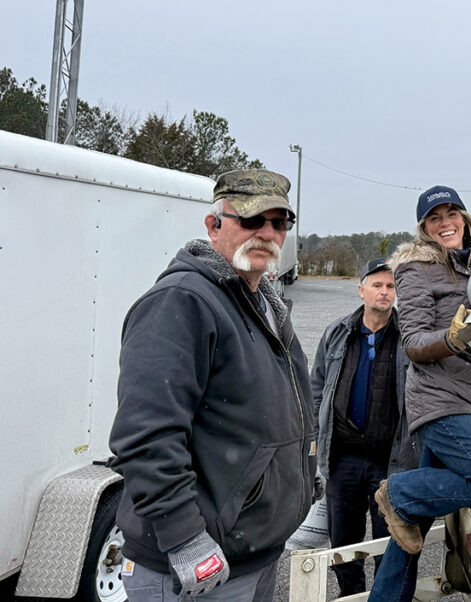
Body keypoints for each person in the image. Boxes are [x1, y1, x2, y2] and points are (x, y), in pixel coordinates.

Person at [109, 169, 318, 601]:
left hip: (253, 554)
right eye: (251, 220)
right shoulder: (183, 301)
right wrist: (184, 538)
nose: (266, 233)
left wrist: (302, 476)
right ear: (213, 224)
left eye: (279, 223)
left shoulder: (264, 305)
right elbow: (147, 435)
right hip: (193, 568)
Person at [368, 185, 471, 601]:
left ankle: (385, 597)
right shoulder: (416, 268)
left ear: (465, 219)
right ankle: (396, 491)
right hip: (442, 402)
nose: (445, 223)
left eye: (452, 213)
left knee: (414, 519)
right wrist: (455, 337)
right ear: (423, 229)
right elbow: (414, 343)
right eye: (434, 218)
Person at [310, 258, 417, 595]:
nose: (384, 292)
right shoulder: (338, 332)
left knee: (389, 539)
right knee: (343, 538)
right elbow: (317, 386)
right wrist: (316, 433)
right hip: (343, 457)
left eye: (390, 287)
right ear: (361, 290)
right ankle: (350, 594)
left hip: (389, 459)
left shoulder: (408, 338)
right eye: (377, 285)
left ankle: (384, 596)